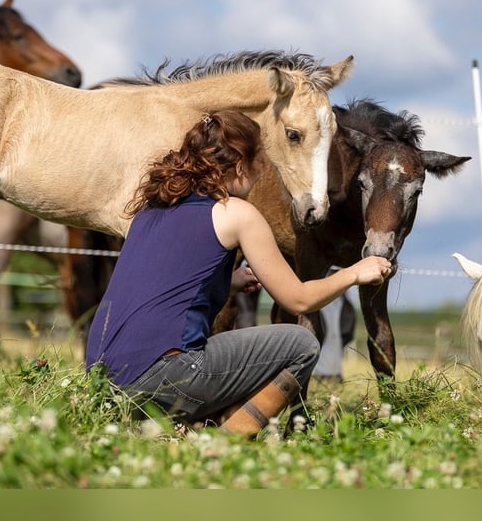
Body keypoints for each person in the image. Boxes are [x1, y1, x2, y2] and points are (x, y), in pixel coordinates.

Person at [85, 110, 391, 437]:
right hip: (164, 377)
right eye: (262, 167)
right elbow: (299, 301)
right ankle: (222, 443)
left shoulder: (153, 207)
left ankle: (172, 426)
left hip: (101, 383)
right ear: (242, 167)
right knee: (300, 342)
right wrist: (356, 272)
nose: (261, 177)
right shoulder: (237, 213)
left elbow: (160, 282)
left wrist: (228, 281)